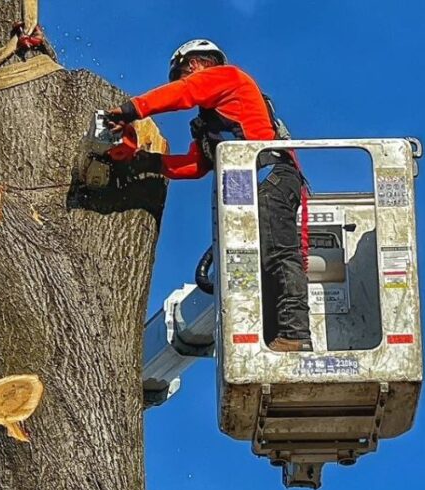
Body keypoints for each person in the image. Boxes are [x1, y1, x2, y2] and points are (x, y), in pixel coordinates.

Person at [105, 39, 312, 352]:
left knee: (280, 256)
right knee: (261, 262)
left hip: (269, 176)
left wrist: (130, 110)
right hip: (253, 186)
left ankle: (295, 335)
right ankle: (274, 335)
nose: (185, 82)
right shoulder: (215, 115)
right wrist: (145, 162)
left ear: (193, 65)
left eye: (184, 75)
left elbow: (183, 93)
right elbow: (196, 165)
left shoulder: (228, 77)